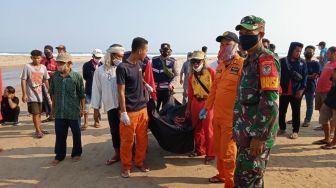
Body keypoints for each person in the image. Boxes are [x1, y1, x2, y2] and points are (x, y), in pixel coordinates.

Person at [234, 15, 280, 187]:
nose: (244, 35)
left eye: (249, 32)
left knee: (248, 180)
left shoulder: (266, 60)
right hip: (245, 132)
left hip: (256, 135)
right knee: (246, 178)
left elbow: (270, 102)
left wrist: (260, 137)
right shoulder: (249, 61)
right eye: (242, 32)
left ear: (261, 34)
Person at [200, 31, 244, 186]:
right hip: (216, 116)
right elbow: (214, 89)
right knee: (218, 149)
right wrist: (206, 107)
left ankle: (230, 183)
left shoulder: (242, 64)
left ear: (236, 46)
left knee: (229, 152)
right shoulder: (220, 65)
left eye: (227, 44)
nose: (223, 47)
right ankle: (222, 175)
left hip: (231, 118)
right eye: (221, 44)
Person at [116, 37, 150, 178]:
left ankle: (139, 162)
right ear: (140, 50)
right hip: (129, 111)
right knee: (127, 141)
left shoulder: (139, 63)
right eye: (146, 50)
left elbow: (138, 77)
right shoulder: (122, 68)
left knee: (142, 139)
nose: (146, 53)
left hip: (142, 108)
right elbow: (121, 91)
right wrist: (123, 112)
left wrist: (145, 84)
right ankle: (126, 166)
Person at [91, 44, 125, 165]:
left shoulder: (124, 68)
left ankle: (129, 153)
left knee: (127, 131)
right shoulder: (100, 71)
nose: (120, 59)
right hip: (111, 106)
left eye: (122, 56)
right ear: (111, 55)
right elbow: (96, 90)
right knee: (115, 131)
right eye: (117, 56)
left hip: (126, 107)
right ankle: (117, 154)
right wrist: (96, 108)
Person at [49, 52, 85, 166]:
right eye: (58, 63)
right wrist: (52, 109)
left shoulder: (77, 77)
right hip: (60, 112)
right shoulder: (55, 77)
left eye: (61, 63)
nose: (59, 65)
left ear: (69, 64)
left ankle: (76, 153)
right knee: (60, 134)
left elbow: (81, 95)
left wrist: (82, 109)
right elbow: (53, 94)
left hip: (74, 111)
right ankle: (59, 155)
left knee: (76, 133)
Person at [185, 50, 215, 164]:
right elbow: (190, 94)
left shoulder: (211, 72)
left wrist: (210, 106)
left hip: (208, 103)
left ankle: (210, 154)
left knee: (208, 129)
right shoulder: (191, 76)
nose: (195, 64)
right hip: (195, 103)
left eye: (197, 61)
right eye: (193, 61)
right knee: (197, 128)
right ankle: (199, 150)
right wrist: (188, 108)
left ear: (203, 61)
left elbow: (215, 90)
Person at [278, 42, 308, 139]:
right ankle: (282, 128)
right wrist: (278, 87)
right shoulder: (282, 61)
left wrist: (302, 89)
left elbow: (305, 77)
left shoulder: (302, 62)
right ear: (291, 50)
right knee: (282, 111)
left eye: (300, 51)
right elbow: (277, 76)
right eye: (297, 51)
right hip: (284, 91)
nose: (298, 53)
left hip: (297, 92)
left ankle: (295, 131)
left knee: (296, 112)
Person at [21, 50, 50, 138]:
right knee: (35, 113)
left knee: (40, 113)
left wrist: (49, 91)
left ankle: (39, 129)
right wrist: (24, 94)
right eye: (34, 58)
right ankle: (37, 130)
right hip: (31, 94)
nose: (36, 60)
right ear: (31, 57)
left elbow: (46, 79)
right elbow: (23, 80)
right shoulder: (27, 67)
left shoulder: (43, 67)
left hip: (41, 95)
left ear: (41, 58)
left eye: (38, 58)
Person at [313, 47, 336, 145]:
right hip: (320, 91)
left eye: (328, 53)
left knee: (333, 116)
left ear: (334, 53)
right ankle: (327, 138)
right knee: (323, 113)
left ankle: (331, 135)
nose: (327, 54)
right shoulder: (327, 63)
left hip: (330, 93)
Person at [81, 49, 103, 130]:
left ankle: (96, 121)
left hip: (99, 89)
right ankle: (85, 122)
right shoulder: (86, 65)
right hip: (89, 89)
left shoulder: (102, 65)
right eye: (97, 57)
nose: (98, 59)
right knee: (86, 106)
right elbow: (85, 77)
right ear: (93, 56)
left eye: (99, 57)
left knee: (97, 107)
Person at [152, 43, 178, 111]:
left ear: (170, 50)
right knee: (154, 109)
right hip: (155, 90)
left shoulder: (173, 62)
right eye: (164, 50)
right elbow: (150, 74)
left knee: (165, 110)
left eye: (167, 50)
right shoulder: (154, 60)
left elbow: (176, 75)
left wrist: (172, 84)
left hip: (167, 91)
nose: (165, 52)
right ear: (160, 50)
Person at [302, 45, 320, 127]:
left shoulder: (315, 63)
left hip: (310, 87)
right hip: (300, 86)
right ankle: (295, 119)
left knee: (309, 105)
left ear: (313, 53)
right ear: (304, 52)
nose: (309, 52)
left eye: (311, 51)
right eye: (307, 51)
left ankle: (307, 120)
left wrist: (303, 76)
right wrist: (307, 76)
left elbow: (315, 76)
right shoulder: (301, 62)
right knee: (296, 104)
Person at [40, 45, 57, 122]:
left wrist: (52, 72)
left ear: (51, 51)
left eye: (47, 51)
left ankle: (53, 114)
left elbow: (59, 71)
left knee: (52, 97)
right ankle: (49, 114)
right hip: (42, 81)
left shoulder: (55, 61)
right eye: (45, 51)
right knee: (45, 98)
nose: (46, 52)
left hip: (52, 81)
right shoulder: (41, 60)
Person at [320, 68, 336, 149]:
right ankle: (327, 139)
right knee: (323, 118)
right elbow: (332, 79)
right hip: (330, 98)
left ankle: (334, 143)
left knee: (335, 120)